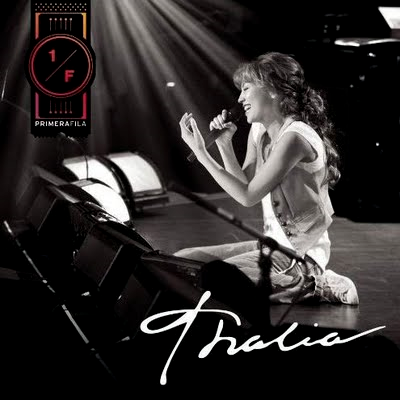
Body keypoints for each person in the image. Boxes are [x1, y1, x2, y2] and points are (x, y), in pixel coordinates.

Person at [176, 51, 359, 305]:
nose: (240, 99)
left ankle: (316, 284)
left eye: (246, 89)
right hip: (270, 246)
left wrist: (201, 153)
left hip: (299, 255)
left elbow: (248, 196)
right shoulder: (259, 130)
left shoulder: (295, 137)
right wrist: (224, 145)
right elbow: (244, 185)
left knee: (214, 280)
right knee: (181, 261)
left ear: (272, 89)